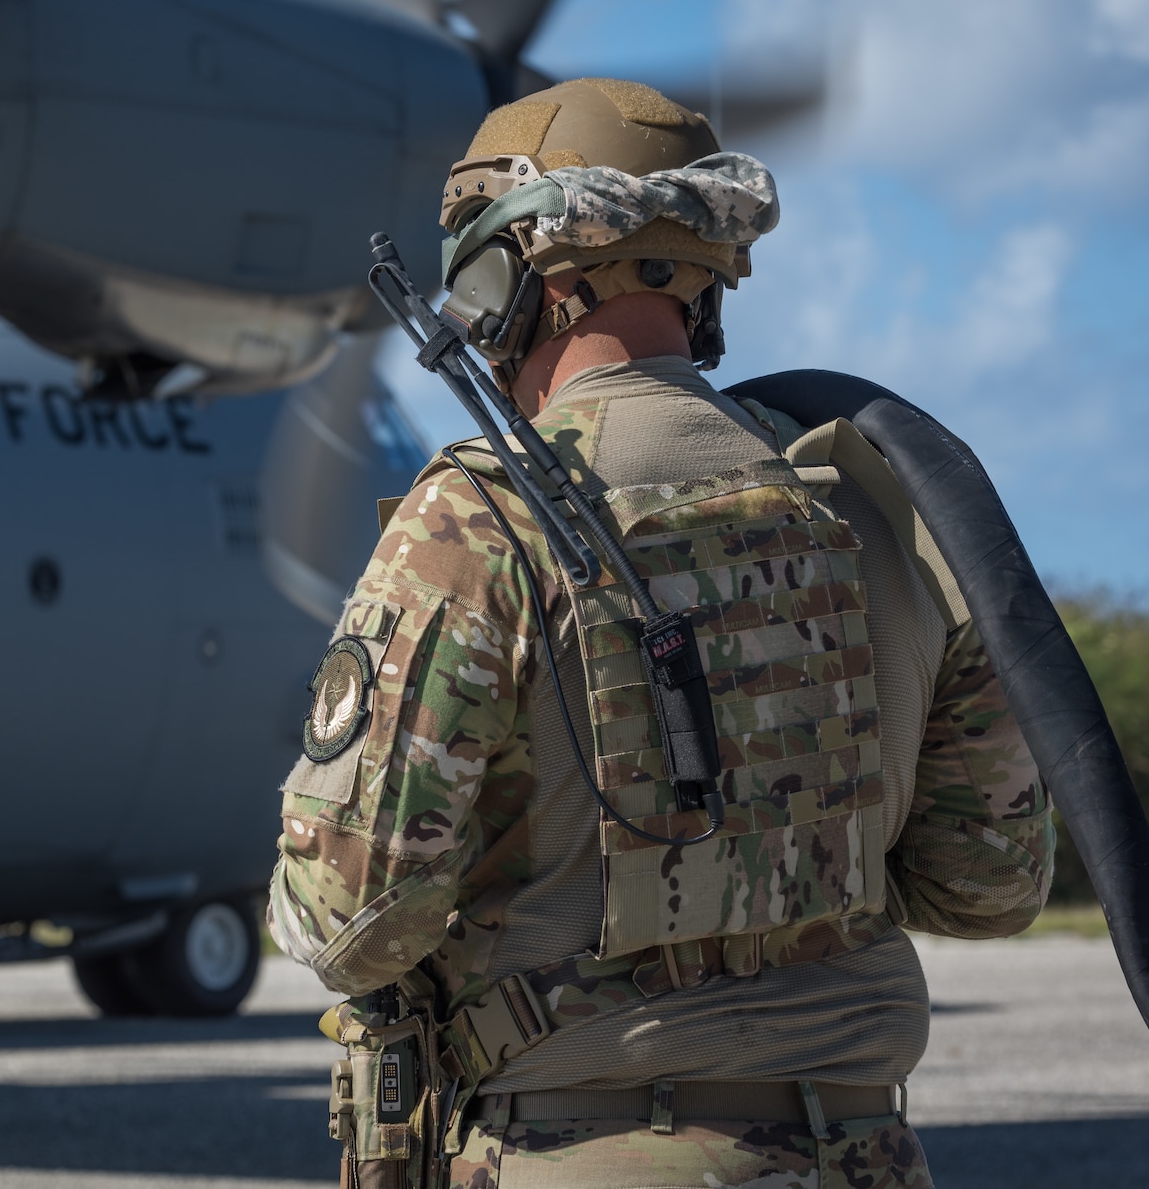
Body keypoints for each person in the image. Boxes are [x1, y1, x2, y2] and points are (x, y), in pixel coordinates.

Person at [269, 78, 1054, 1189]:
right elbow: (988, 883)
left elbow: (349, 920)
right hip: (864, 1157)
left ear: (507, 276)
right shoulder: (884, 503)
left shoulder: (476, 522)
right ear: (708, 273)